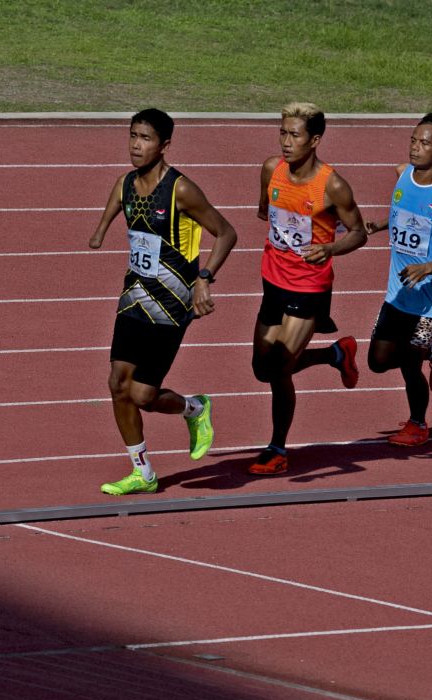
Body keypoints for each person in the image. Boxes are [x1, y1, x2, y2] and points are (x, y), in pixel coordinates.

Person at [88, 108, 238, 495]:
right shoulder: (125, 183)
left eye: (146, 138)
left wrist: (204, 279)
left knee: (143, 395)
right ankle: (143, 472)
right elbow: (117, 201)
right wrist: (101, 229)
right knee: (118, 384)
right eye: (133, 136)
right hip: (134, 296)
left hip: (171, 304)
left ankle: (196, 408)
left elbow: (226, 233)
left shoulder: (181, 190)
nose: (137, 145)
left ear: (165, 145)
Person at [249, 102, 367, 475]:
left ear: (314, 140)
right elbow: (265, 211)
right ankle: (335, 355)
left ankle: (278, 448)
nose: (286, 142)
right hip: (273, 280)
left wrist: (329, 247)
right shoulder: (271, 169)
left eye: (294, 135)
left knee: (280, 368)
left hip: (309, 286)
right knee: (262, 369)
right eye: (282, 132)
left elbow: (360, 233)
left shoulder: (332, 185)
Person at [362, 114, 432, 446]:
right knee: (378, 361)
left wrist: (428, 268)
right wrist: (381, 225)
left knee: (411, 364)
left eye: (425, 143)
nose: (415, 148)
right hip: (397, 293)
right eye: (413, 140)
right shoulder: (403, 174)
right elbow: (407, 213)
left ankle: (418, 424)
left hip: (430, 301)